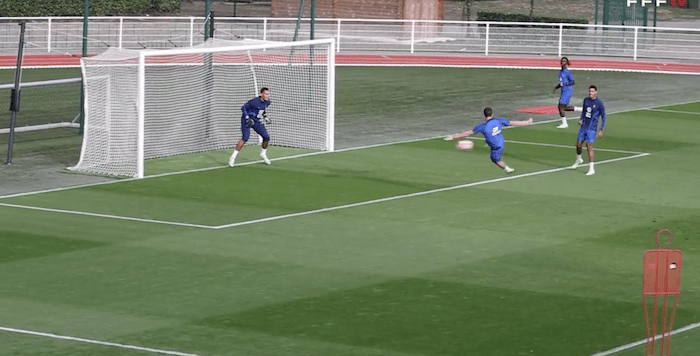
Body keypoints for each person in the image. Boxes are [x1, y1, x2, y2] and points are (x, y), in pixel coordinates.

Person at [445, 107, 533, 173]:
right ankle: (506, 168)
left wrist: (454, 137)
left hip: (495, 146)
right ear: (492, 114)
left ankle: (507, 168)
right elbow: (512, 123)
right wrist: (526, 122)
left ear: (484, 115)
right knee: (495, 153)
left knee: (494, 159)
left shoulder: (482, 126)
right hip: (501, 143)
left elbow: (468, 133)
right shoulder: (498, 120)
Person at [229, 87, 272, 167]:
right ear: (261, 94)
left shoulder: (267, 102)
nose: (267, 96)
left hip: (256, 121)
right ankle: (233, 157)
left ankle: (263, 154)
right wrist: (247, 118)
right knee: (245, 138)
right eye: (266, 94)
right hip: (247, 120)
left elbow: (262, 110)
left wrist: (265, 117)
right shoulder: (254, 101)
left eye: (268, 94)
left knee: (266, 137)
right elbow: (243, 108)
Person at [571, 85, 606, 176]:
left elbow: (604, 117)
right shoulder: (586, 100)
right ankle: (579, 159)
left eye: (592, 91)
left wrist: (601, 129)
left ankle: (591, 168)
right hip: (584, 127)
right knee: (578, 144)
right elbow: (584, 112)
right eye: (589, 91)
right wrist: (581, 119)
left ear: (596, 92)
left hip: (592, 128)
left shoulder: (599, 103)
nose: (590, 93)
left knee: (589, 146)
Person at [552, 57, 582, 129]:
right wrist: (557, 87)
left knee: (561, 106)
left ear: (567, 63)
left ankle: (564, 124)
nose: (563, 63)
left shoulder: (567, 72)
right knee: (564, 107)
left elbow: (573, 82)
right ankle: (580, 109)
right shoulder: (560, 72)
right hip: (563, 91)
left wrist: (566, 84)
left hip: (567, 91)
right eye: (562, 61)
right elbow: (562, 82)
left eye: (564, 61)